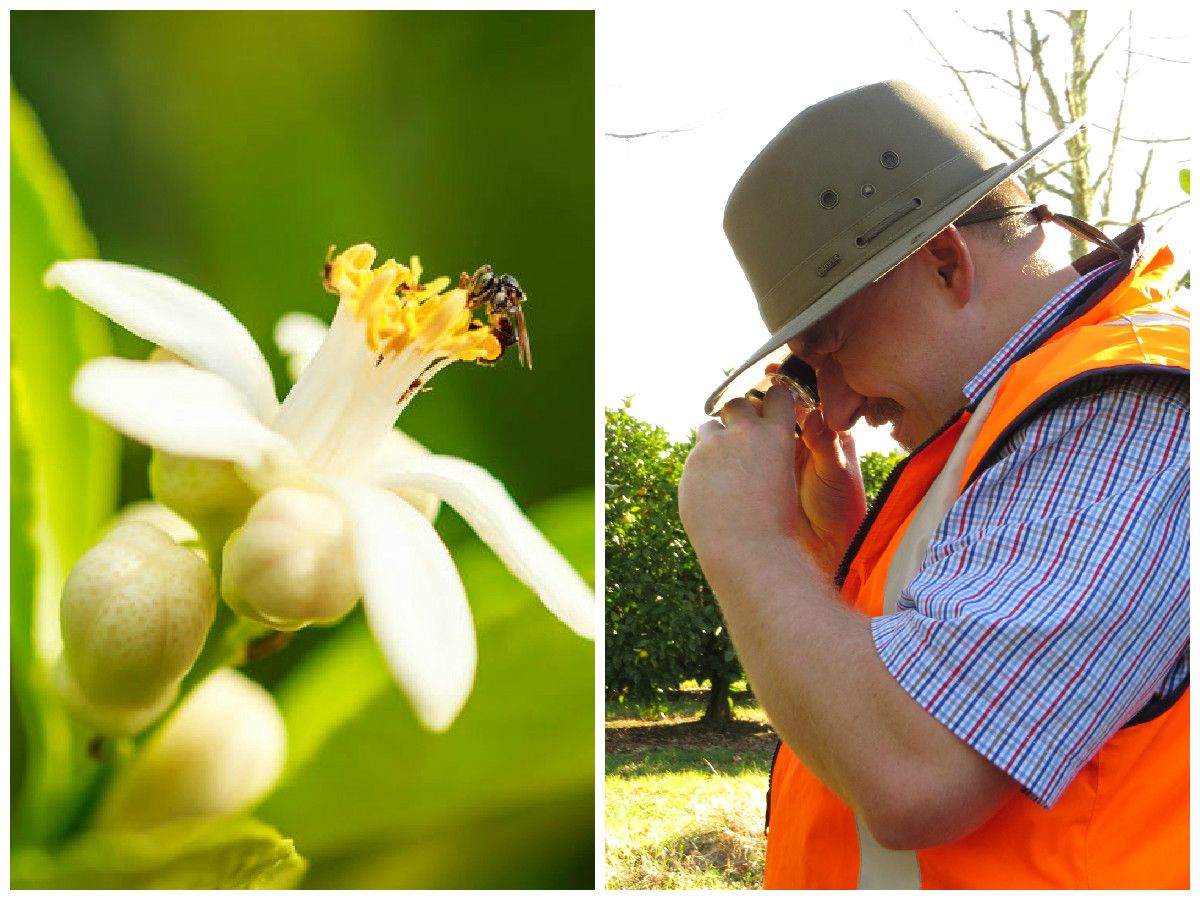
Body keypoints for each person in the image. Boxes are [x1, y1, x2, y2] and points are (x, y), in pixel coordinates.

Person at [677, 81, 1188, 889]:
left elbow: (917, 774)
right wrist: (833, 559)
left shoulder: (1136, 407)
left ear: (946, 262)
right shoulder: (1015, 417)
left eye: (829, 345)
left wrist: (745, 540)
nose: (834, 405)